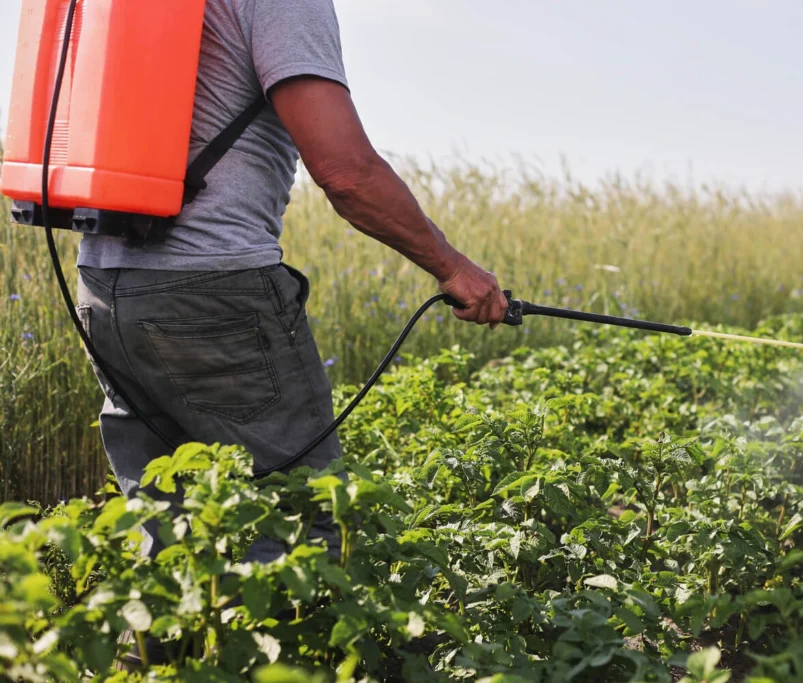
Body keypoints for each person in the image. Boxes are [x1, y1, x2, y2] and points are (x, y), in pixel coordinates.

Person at [75, 0, 508, 569]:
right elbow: (346, 173)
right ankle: (300, 657)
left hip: (102, 287)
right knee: (307, 524)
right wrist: (452, 267)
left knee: (164, 535)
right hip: (212, 292)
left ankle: (163, 657)